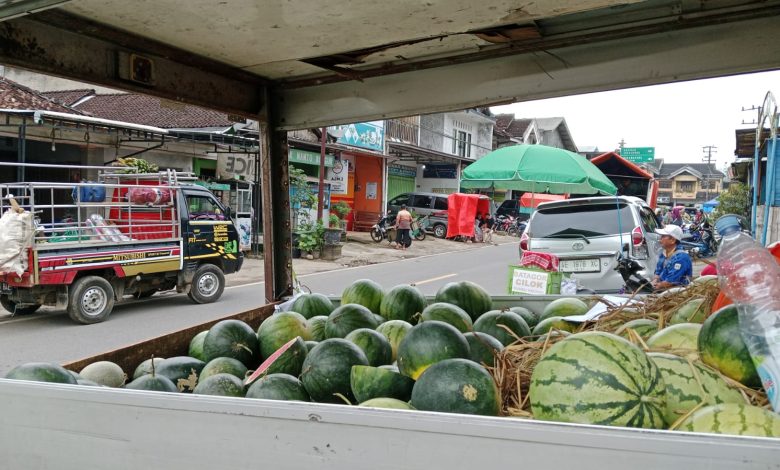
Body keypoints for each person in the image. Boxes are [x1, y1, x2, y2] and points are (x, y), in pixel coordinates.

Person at [652, 224, 693, 290]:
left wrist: (656, 286)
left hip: (677, 292)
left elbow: (670, 282)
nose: (660, 239)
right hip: (664, 288)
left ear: (672, 240)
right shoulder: (663, 254)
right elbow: (658, 273)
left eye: (663, 236)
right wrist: (654, 282)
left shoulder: (681, 257)